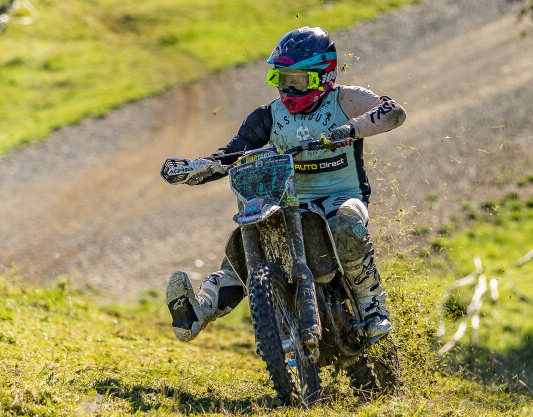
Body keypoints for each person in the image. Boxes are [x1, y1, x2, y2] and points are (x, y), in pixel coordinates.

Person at [166, 26, 406, 343]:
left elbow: (393, 111)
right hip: (289, 202)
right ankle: (199, 309)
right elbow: (231, 153)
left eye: (298, 81)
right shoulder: (268, 115)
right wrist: (198, 167)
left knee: (346, 224)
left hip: (341, 197)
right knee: (246, 248)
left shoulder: (345, 99)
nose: (289, 89)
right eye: (282, 79)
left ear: (324, 75)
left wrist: (351, 129)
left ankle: (372, 306)